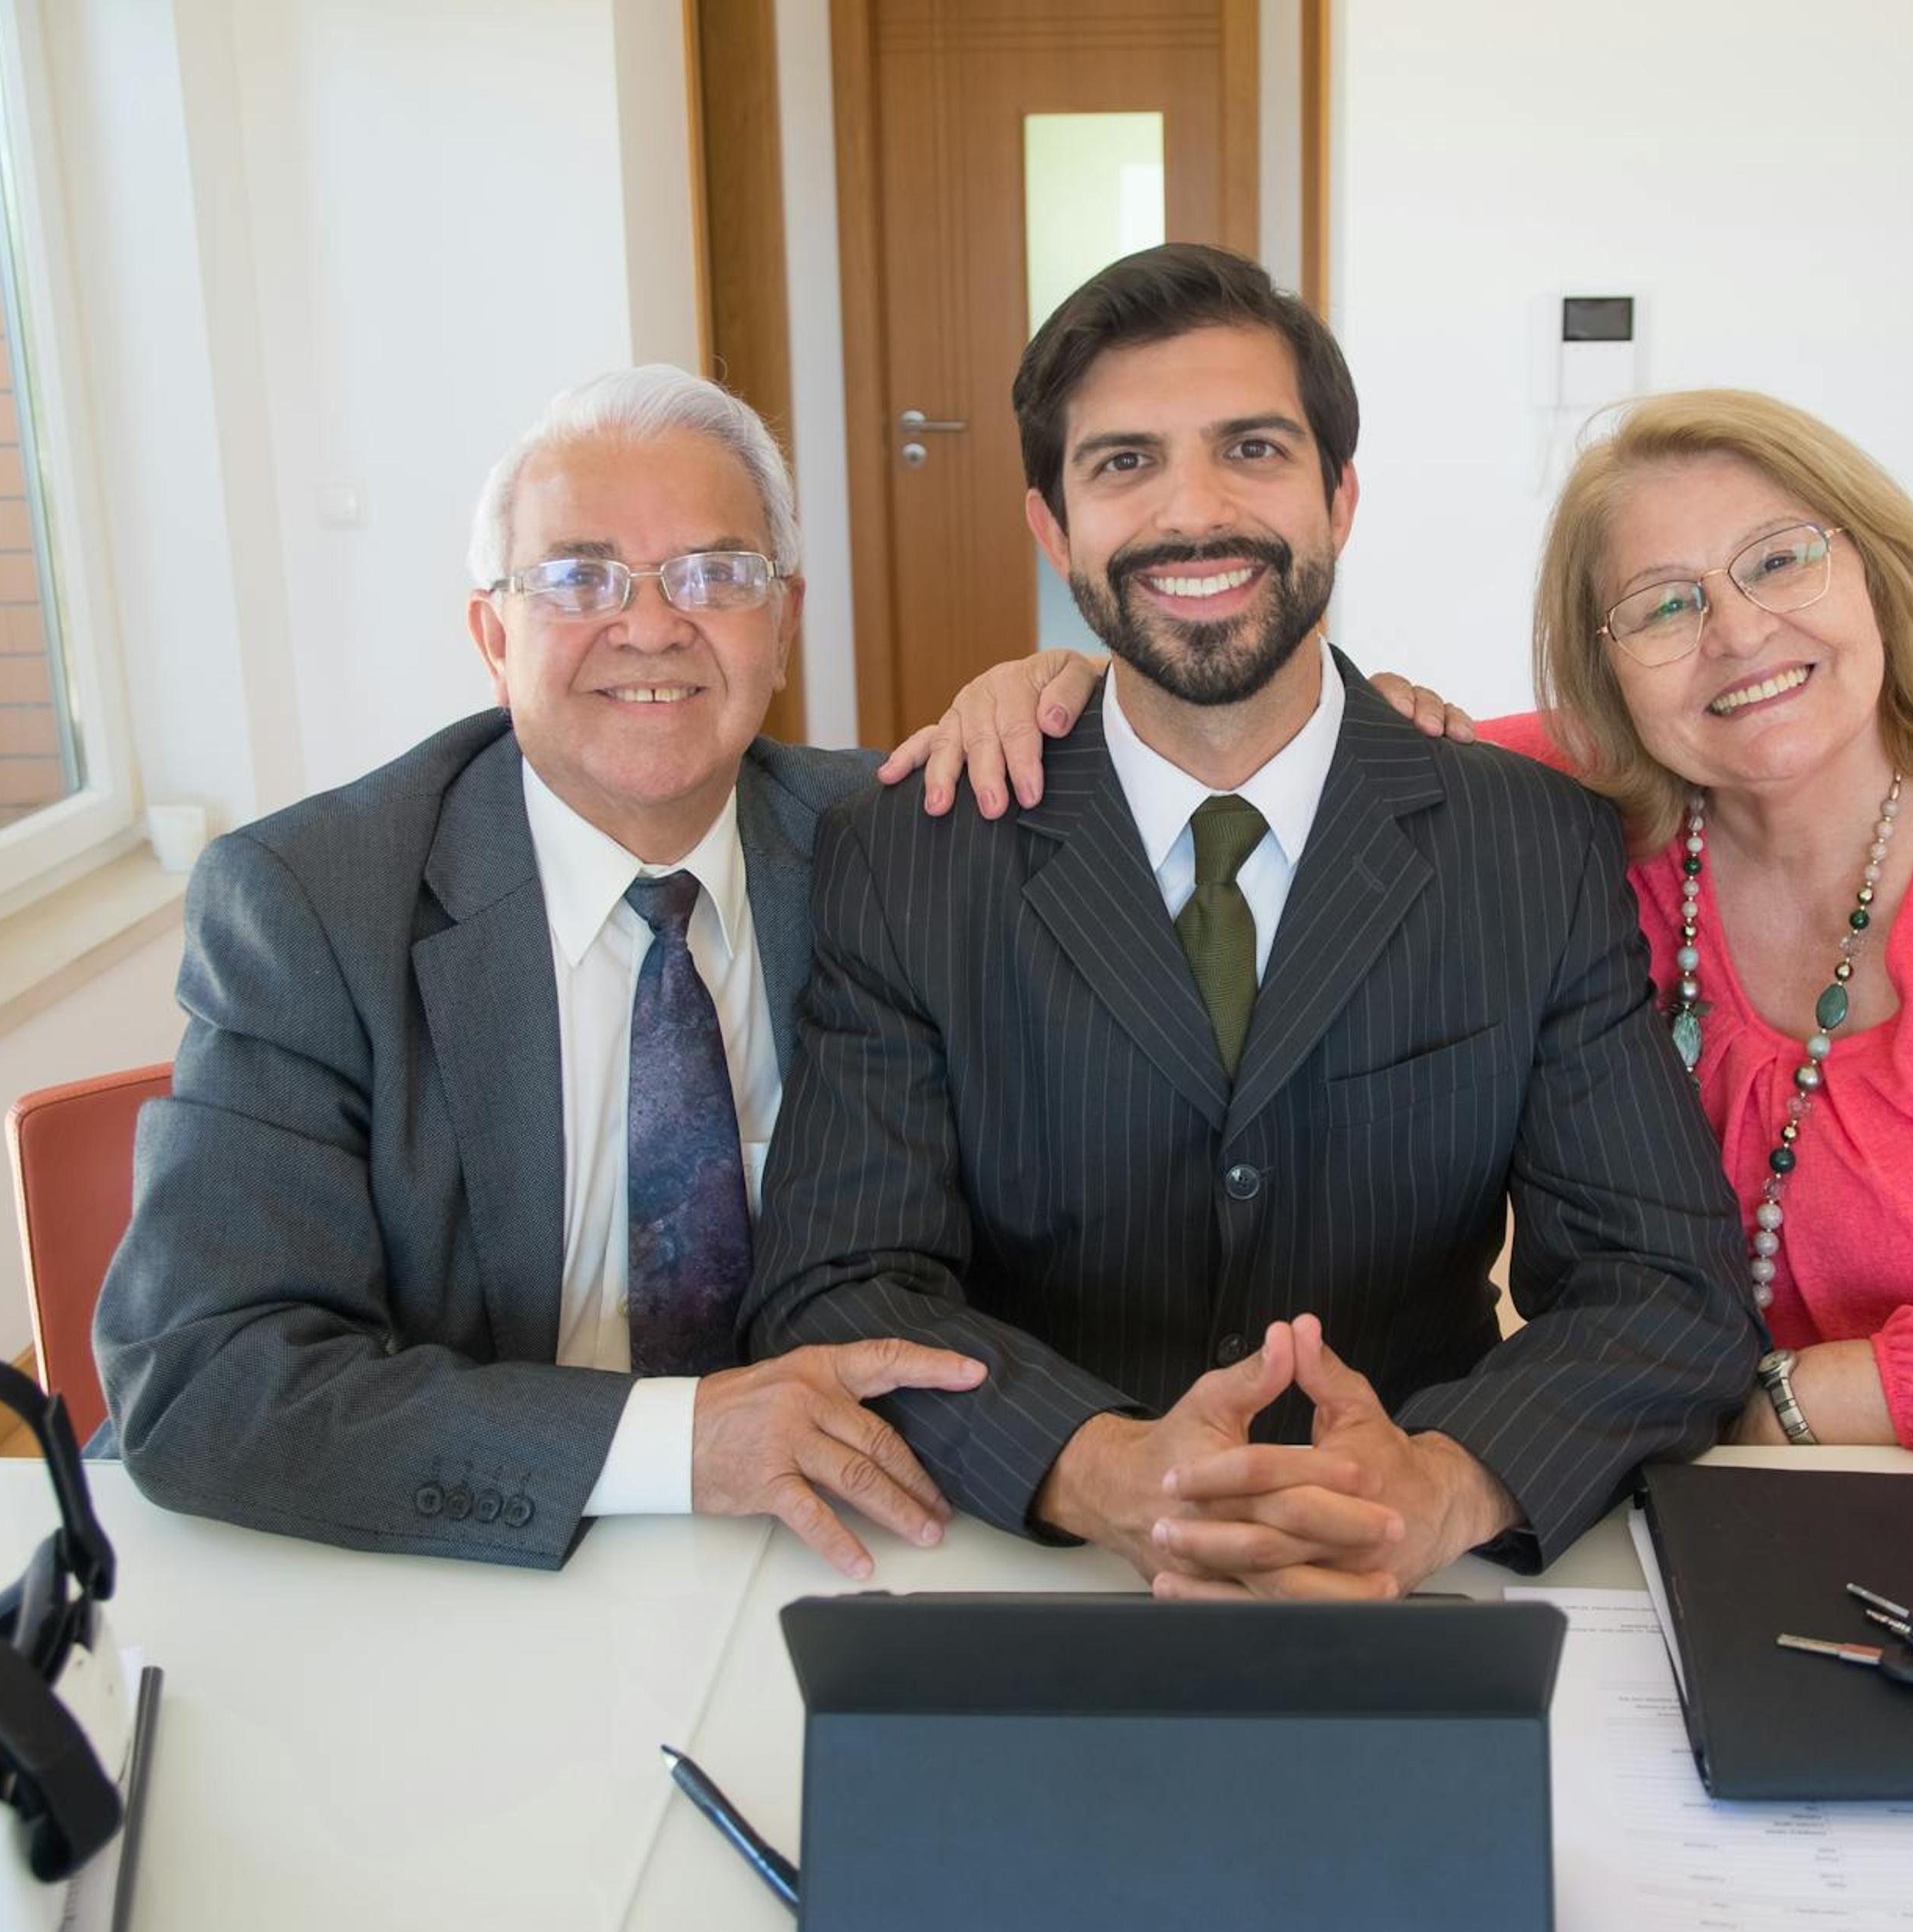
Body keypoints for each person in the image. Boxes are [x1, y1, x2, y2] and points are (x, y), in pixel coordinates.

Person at [905, 388, 1913, 1479]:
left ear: (1875, 572)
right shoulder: (1580, 805)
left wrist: (1798, 1401)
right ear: (1605, 674)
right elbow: (1305, 743)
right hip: (1715, 1501)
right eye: (1662, 605)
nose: (1736, 633)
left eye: (1781, 562)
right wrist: (1067, 691)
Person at [741, 243, 1759, 1600]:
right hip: (1022, 1568)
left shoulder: (1529, 842)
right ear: (1051, 528)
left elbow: (1666, 1288)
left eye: (1253, 450)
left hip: (1418, 1572)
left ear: (1340, 498)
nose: (1193, 513)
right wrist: (1088, 1466)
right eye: (1124, 465)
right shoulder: (913, 851)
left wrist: (1447, 1485)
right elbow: (841, 1285)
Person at [94, 367, 994, 1574]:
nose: (653, 625)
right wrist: (680, 1443)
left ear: (781, 624)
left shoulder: (893, 844)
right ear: (491, 634)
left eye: (714, 576)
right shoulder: (310, 903)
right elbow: (208, 1376)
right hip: (459, 1551)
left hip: (831, 1540)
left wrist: (1068, 693)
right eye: (578, 578)